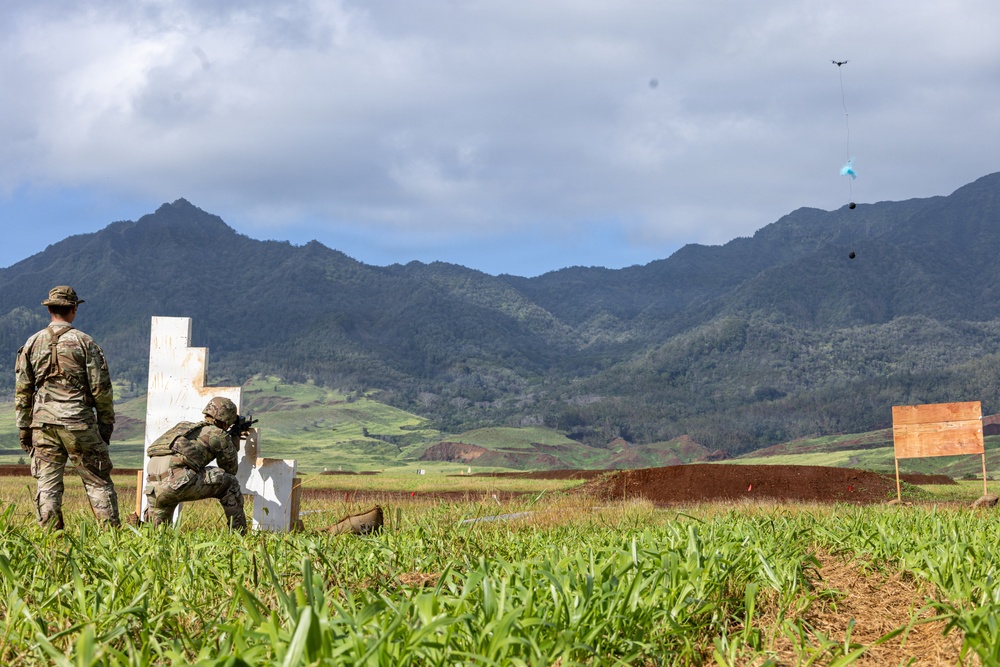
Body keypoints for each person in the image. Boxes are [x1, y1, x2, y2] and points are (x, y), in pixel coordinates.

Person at [14, 285, 120, 529]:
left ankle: (51, 539)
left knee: (47, 484)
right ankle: (111, 538)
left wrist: (24, 428)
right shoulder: (85, 342)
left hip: (42, 425)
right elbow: (101, 390)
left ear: (50, 309)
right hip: (78, 423)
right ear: (74, 310)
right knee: (97, 481)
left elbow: (22, 391)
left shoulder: (32, 343)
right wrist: (106, 425)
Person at [143, 396, 248, 534]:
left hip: (153, 486)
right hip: (176, 482)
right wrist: (232, 441)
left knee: (157, 534)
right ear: (227, 419)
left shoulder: (183, 427)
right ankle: (238, 534)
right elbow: (230, 469)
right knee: (230, 483)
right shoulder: (218, 434)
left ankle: (151, 536)